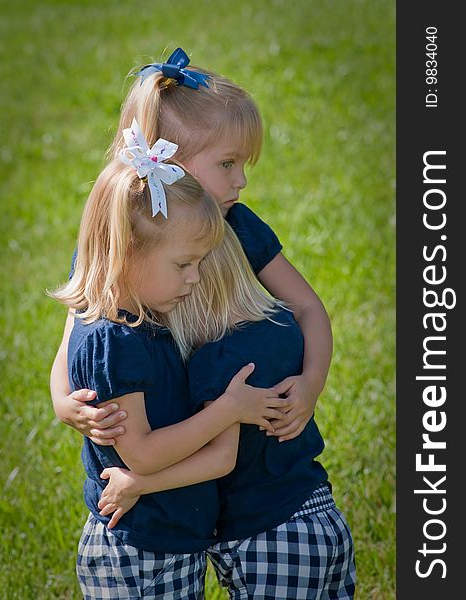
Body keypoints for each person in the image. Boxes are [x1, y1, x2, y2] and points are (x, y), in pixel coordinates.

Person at [50, 48, 333, 447]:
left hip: (222, 432)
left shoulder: (237, 225)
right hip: (160, 434)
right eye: (227, 164)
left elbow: (307, 306)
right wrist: (63, 403)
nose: (241, 181)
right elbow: (74, 337)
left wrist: (311, 383)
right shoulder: (122, 238)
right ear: (169, 160)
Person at [49, 140, 289, 598]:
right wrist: (229, 409)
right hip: (137, 552)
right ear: (126, 254)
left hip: (164, 541)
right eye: (184, 264)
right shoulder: (112, 340)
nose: (195, 278)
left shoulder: (142, 325)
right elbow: (140, 454)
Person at [97, 223, 356, 599]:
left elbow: (222, 459)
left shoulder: (216, 359)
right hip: (321, 514)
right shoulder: (283, 323)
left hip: (266, 539)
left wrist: (139, 483)